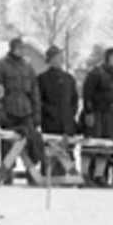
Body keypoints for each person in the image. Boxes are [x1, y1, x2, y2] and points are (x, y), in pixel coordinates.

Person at [0, 37, 47, 182]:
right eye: (19, 48)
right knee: (8, 143)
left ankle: (32, 171)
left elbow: (35, 91)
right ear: (12, 48)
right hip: (9, 110)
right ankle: (7, 171)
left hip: (26, 110)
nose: (22, 51)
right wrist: (0, 111)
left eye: (23, 48)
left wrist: (36, 113)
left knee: (33, 141)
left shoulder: (28, 66)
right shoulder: (1, 66)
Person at [81, 47, 113, 187]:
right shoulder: (96, 73)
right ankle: (85, 174)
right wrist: (88, 111)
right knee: (91, 144)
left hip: (110, 116)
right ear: (107, 58)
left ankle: (99, 175)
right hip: (96, 113)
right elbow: (87, 93)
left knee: (106, 145)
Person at [38, 45, 79, 178]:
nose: (60, 59)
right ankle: (47, 175)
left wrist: (70, 114)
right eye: (57, 57)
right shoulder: (42, 79)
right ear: (50, 60)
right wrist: (50, 111)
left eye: (61, 57)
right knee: (50, 151)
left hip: (66, 123)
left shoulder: (69, 79)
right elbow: (38, 101)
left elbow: (74, 100)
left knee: (66, 151)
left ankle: (66, 176)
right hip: (50, 122)